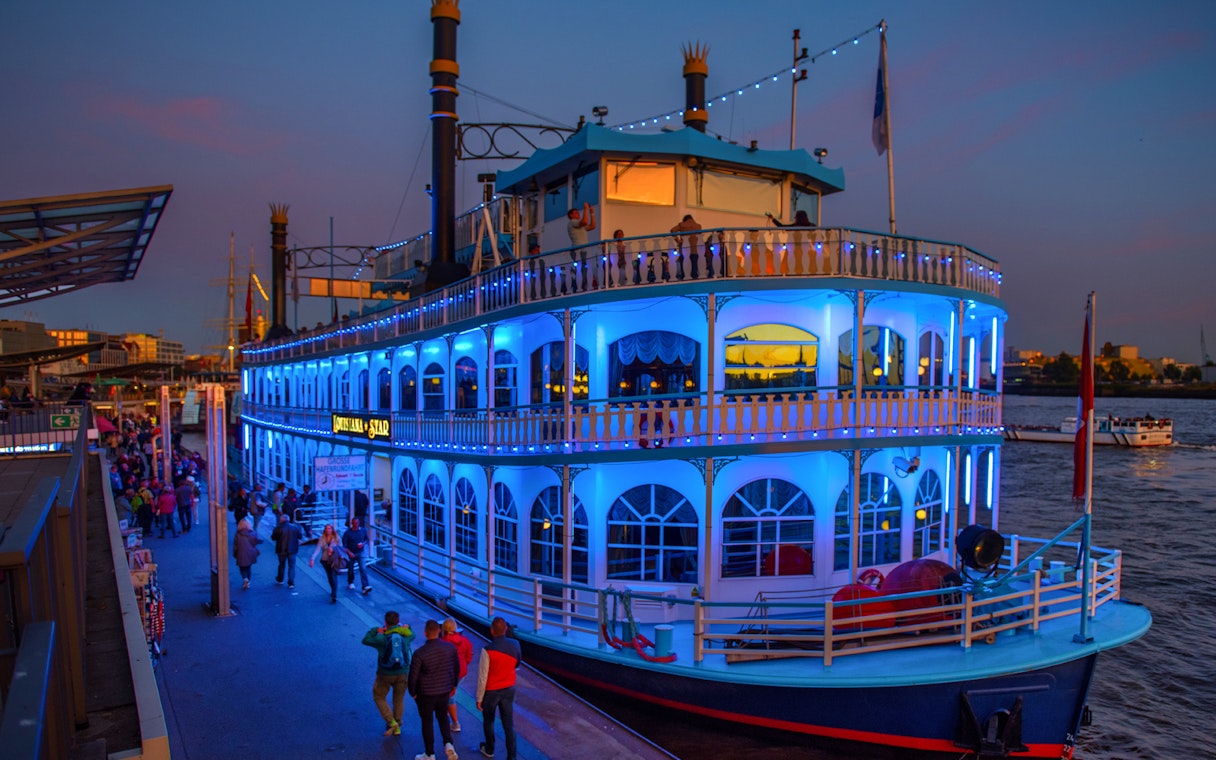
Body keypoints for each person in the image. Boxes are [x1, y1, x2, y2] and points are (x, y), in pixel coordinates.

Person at [408, 619, 460, 760]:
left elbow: (413, 676)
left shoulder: (420, 653)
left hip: (426, 694)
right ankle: (449, 744)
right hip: (444, 691)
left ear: (425, 633)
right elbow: (456, 668)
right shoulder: (450, 648)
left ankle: (429, 754)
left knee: (427, 721)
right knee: (443, 717)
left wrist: (413, 693)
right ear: (439, 631)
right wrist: (454, 685)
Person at [362, 610, 416, 737]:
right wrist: (407, 626)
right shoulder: (405, 636)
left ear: (385, 623)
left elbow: (366, 640)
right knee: (398, 699)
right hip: (402, 673)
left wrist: (376, 630)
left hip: (385, 673)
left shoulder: (382, 638)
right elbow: (412, 633)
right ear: (398, 621)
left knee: (379, 696)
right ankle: (398, 726)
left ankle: (391, 722)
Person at [476, 617, 521, 760]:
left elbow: (483, 676)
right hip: (509, 688)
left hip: (491, 691)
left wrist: (479, 698)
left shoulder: (487, 650)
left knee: (488, 720)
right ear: (506, 629)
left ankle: (489, 749)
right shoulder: (516, 645)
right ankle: (512, 756)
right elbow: (517, 664)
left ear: (491, 631)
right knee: (508, 724)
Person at [441, 618, 474, 733]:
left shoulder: (442, 642)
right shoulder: (465, 641)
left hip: (448, 673)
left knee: (450, 697)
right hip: (462, 672)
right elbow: (468, 657)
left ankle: (455, 723)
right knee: (451, 693)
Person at [309, 524, 345, 603]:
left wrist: (333, 550)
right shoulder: (322, 538)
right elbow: (317, 549)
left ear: (332, 529)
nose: (328, 530)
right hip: (325, 560)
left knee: (333, 575)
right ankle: (333, 589)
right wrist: (312, 559)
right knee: (329, 576)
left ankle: (334, 594)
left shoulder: (336, 538)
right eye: (326, 529)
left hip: (334, 560)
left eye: (329, 528)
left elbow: (341, 548)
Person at [271, 512, 304, 589]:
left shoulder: (278, 528)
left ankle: (280, 578)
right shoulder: (295, 527)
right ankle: (291, 582)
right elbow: (300, 536)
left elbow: (273, 538)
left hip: (281, 549)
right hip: (292, 549)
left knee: (281, 565)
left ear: (281, 520)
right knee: (292, 566)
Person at [343, 517, 372, 594]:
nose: (356, 525)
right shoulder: (347, 533)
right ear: (352, 524)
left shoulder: (363, 530)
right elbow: (344, 546)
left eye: (357, 523)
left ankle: (365, 586)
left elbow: (366, 539)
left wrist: (363, 544)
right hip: (351, 552)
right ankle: (350, 582)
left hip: (361, 552)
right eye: (354, 523)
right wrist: (349, 553)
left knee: (363, 568)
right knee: (351, 568)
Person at [232, 518, 260, 590]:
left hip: (241, 553)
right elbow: (255, 542)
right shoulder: (252, 533)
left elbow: (236, 545)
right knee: (248, 567)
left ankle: (245, 578)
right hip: (251, 553)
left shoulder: (238, 534)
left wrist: (235, 554)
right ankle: (248, 580)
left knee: (242, 567)